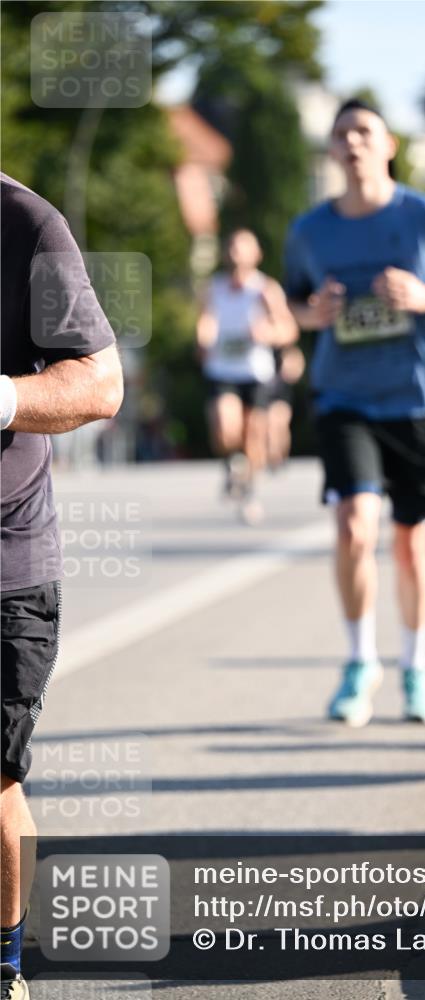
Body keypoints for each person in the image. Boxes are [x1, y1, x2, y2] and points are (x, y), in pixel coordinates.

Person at [284, 99, 425, 727]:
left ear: (389, 144)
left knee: (409, 541)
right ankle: (360, 661)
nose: (352, 142)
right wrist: (313, 313)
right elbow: (293, 305)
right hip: (344, 397)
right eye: (341, 133)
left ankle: (418, 668)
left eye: (364, 131)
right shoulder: (310, 229)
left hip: (417, 398)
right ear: (330, 150)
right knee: (353, 526)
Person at [0, 173, 124, 997]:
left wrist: (3, 396)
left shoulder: (27, 226)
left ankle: (4, 962)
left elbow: (101, 383)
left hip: (5, 563)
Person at [197, 229, 297, 523]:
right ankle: (233, 461)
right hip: (223, 369)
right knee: (225, 426)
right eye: (232, 247)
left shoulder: (265, 289)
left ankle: (249, 489)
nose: (236, 253)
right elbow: (206, 320)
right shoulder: (214, 287)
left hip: (256, 372)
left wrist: (268, 333)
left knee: (255, 435)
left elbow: (288, 330)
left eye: (242, 248)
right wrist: (203, 338)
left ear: (256, 254)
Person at [266, 344, 306, 471]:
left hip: (281, 392)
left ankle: (280, 456)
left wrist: (289, 370)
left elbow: (297, 368)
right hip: (263, 393)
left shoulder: (284, 348)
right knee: (269, 424)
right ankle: (273, 457)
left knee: (280, 423)